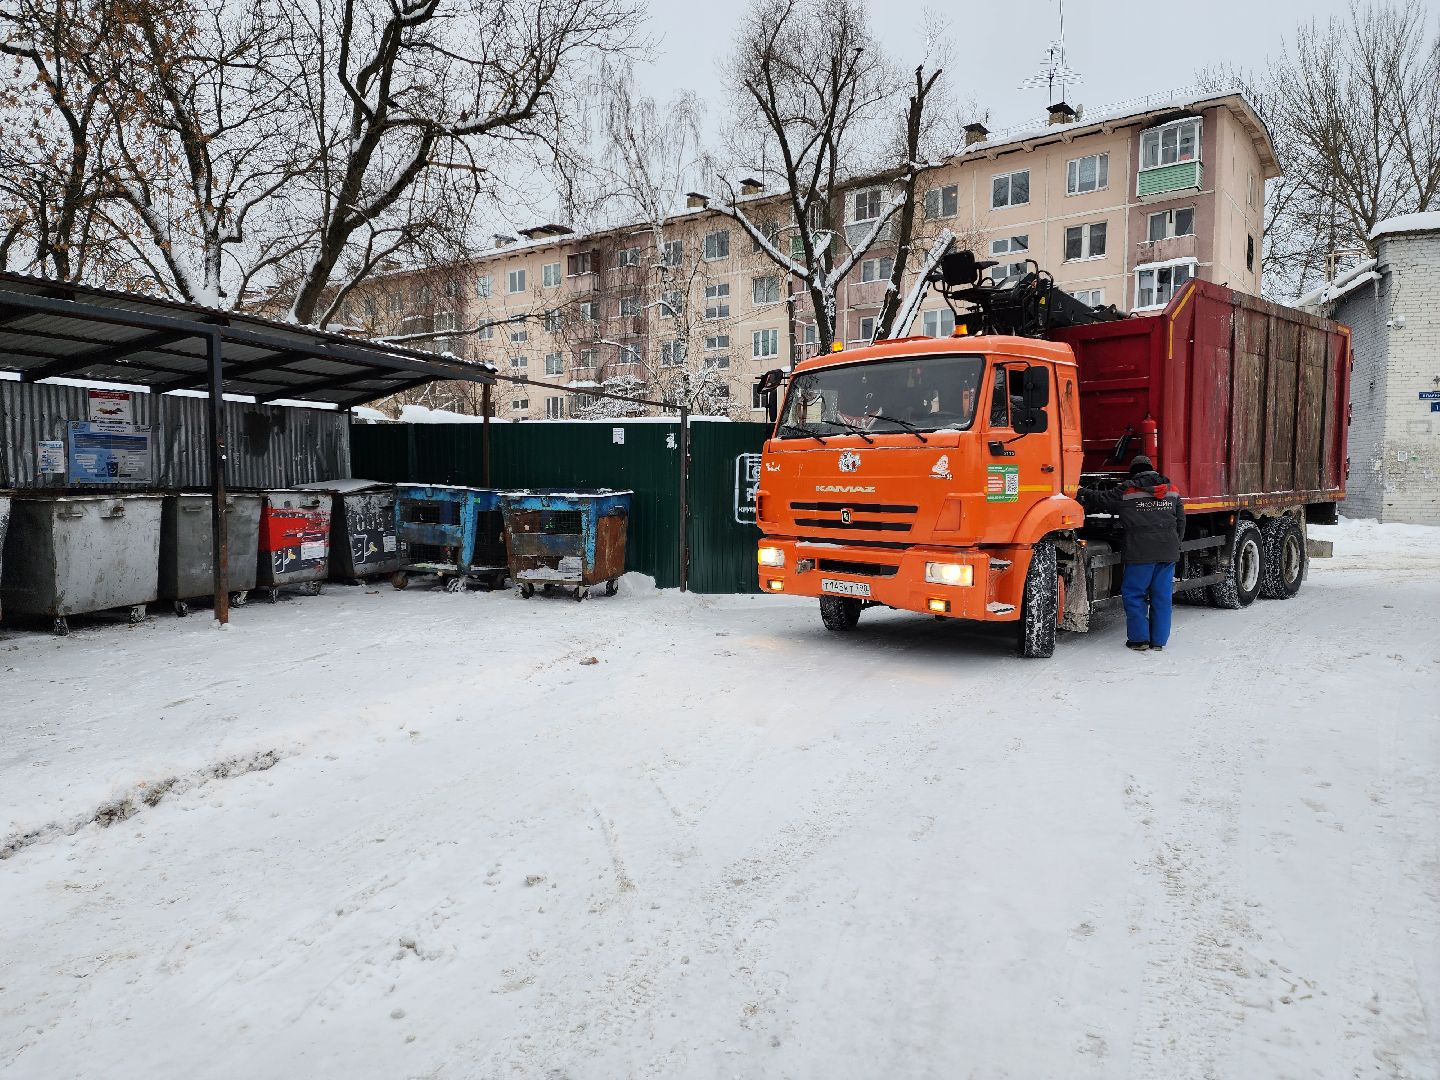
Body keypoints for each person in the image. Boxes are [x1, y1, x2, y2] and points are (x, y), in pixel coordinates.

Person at [1078, 454, 1186, 653]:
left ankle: (1139, 640)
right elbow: (1181, 521)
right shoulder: (1172, 489)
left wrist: (1078, 490)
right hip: (1167, 551)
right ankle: (1158, 641)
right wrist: (1174, 543)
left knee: (1135, 595)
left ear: (1134, 472)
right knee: (1162, 597)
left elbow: (1100, 498)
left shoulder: (1127, 489)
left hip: (1139, 551)